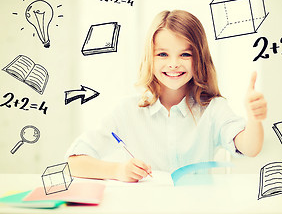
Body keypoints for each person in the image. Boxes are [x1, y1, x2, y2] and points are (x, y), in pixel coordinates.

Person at [66, 10, 267, 182]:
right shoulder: (127, 111)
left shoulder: (213, 108)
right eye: (163, 54)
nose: (173, 64)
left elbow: (250, 148)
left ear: (200, 59)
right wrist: (118, 170)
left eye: (185, 55)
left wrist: (254, 119)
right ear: (149, 57)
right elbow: (74, 163)